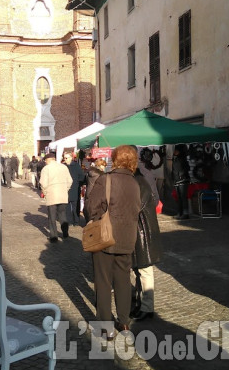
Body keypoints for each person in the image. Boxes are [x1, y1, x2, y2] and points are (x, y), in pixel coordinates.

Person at [84, 145, 141, 340]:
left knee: (103, 281)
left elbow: (91, 207)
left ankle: (106, 327)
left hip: (105, 237)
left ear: (114, 159)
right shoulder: (135, 183)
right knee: (123, 280)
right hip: (127, 237)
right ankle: (124, 322)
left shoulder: (106, 179)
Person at [131, 167, 163, 321]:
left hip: (143, 229)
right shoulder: (138, 178)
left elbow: (137, 207)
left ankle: (147, 306)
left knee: (145, 270)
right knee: (138, 269)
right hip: (139, 229)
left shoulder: (140, 180)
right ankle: (141, 303)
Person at [39, 153, 72, 242]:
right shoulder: (63, 167)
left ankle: (53, 236)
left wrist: (45, 193)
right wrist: (65, 189)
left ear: (48, 160)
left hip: (52, 194)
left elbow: (43, 183)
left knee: (52, 217)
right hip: (62, 194)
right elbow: (70, 180)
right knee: (62, 214)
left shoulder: (46, 169)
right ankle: (65, 233)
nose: (45, 162)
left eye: (45, 161)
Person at [63, 152, 85, 226]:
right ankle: (68, 221)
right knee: (67, 206)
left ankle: (76, 221)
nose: (65, 159)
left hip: (75, 188)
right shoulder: (63, 166)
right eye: (64, 158)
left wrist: (78, 184)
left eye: (66, 158)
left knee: (76, 206)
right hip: (65, 189)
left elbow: (81, 176)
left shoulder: (76, 166)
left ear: (71, 158)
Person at [171, 144, 190, 219]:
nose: (174, 152)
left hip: (182, 180)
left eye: (176, 150)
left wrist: (180, 175)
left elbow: (186, 168)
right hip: (177, 180)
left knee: (183, 197)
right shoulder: (175, 158)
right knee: (179, 197)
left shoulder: (183, 159)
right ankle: (180, 212)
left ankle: (185, 213)